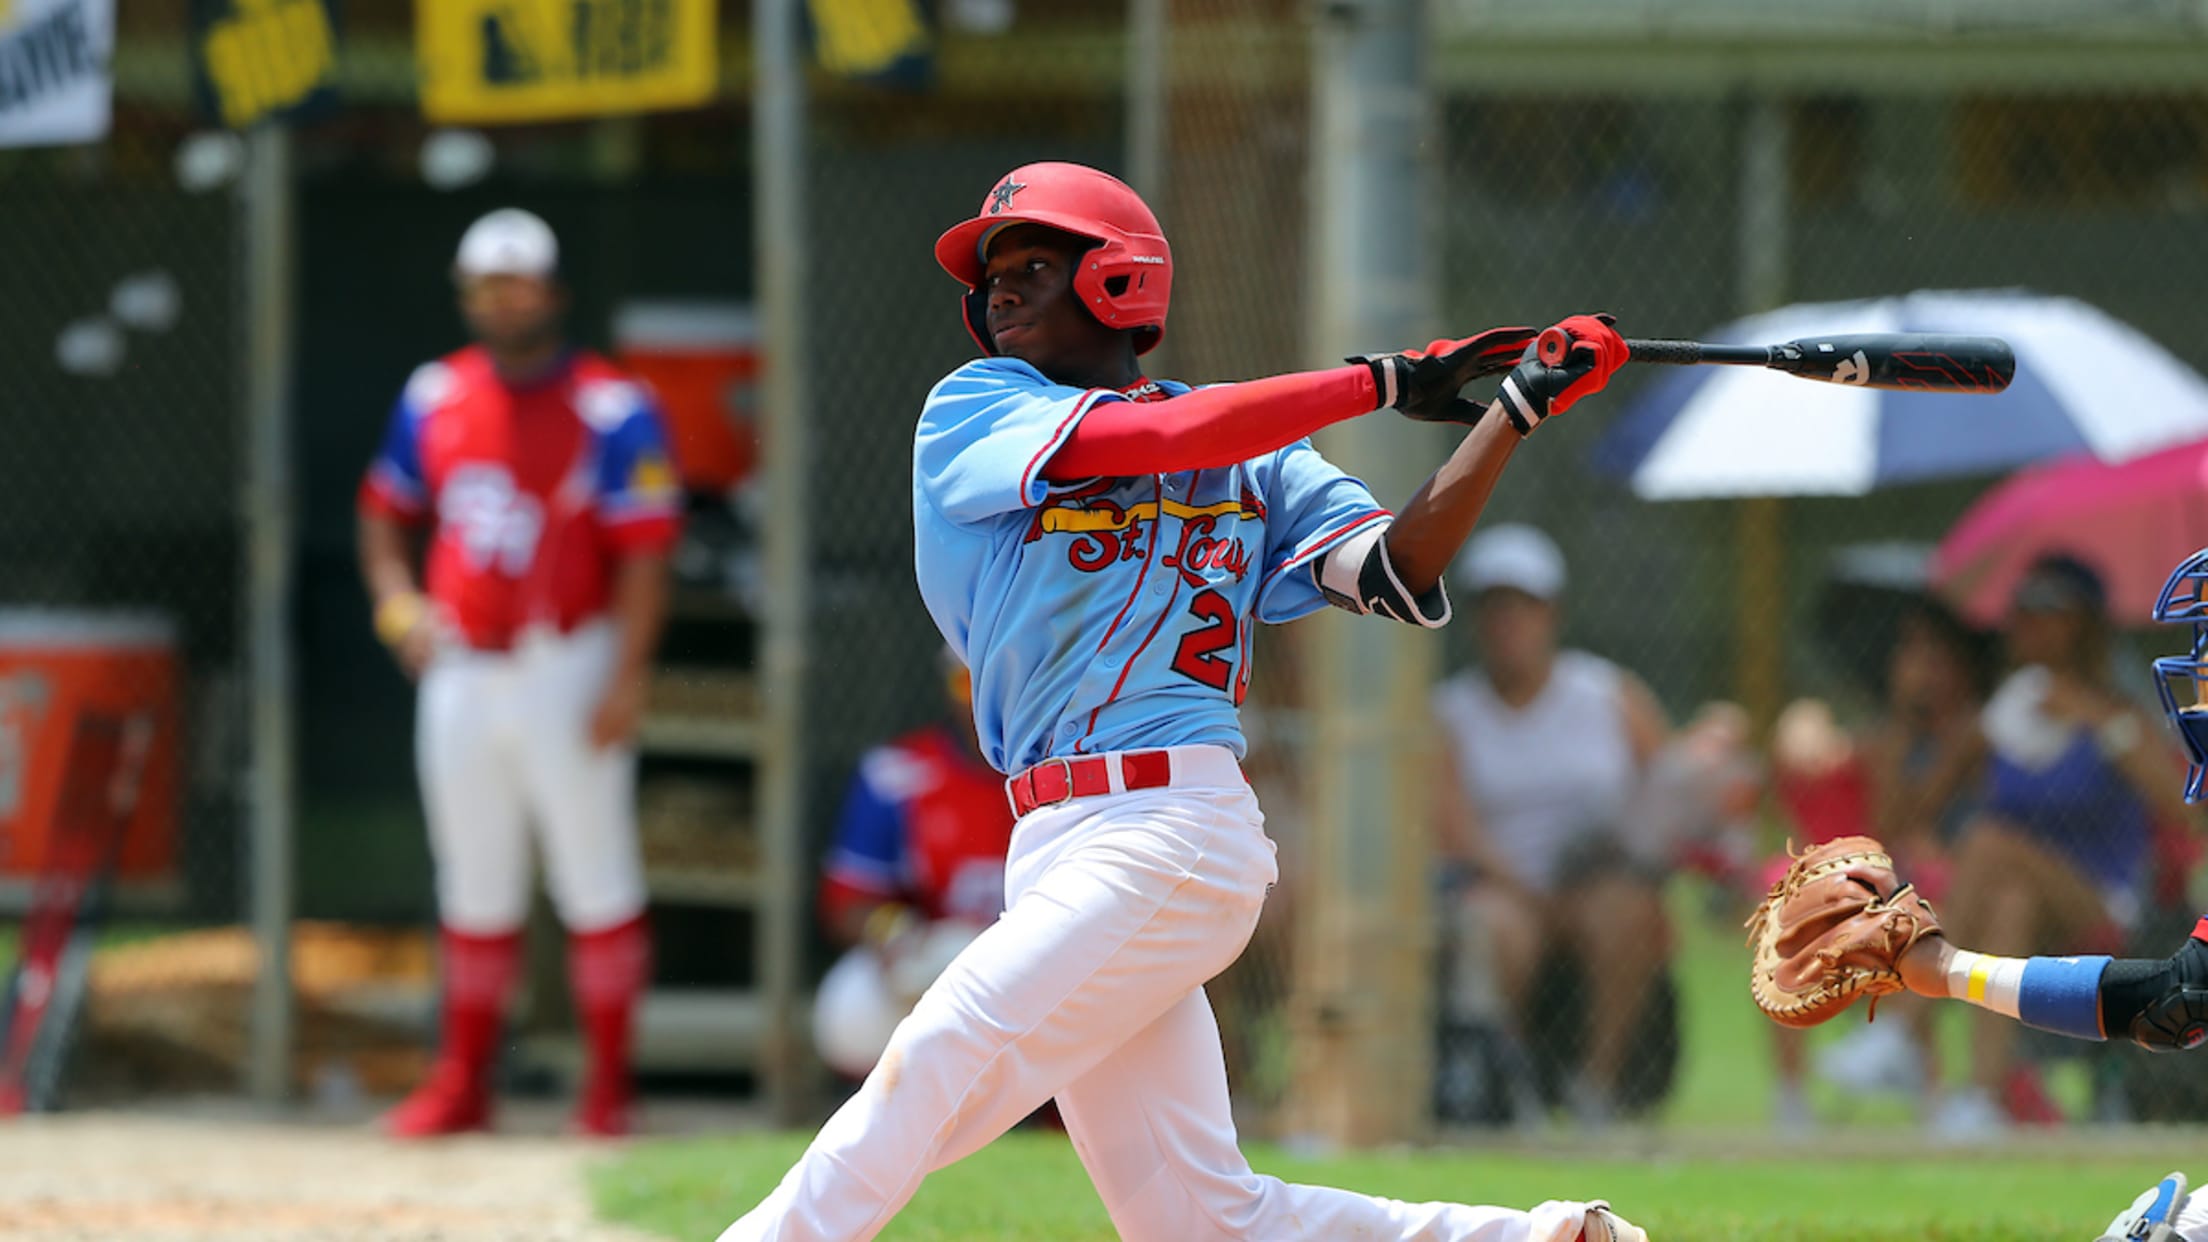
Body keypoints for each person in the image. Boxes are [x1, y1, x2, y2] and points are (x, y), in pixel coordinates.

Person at [721, 162, 1646, 1241]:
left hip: (1170, 825)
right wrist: (1382, 383)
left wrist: (1514, 412)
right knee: (1201, 1220)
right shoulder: (976, 407)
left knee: (943, 1047)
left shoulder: (1260, 463)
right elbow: (1155, 440)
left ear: (1120, 283)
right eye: (993, 275)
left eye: (1033, 264)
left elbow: (1396, 569)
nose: (1000, 290)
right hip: (1056, 833)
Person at [356, 208, 681, 1139]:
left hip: (565, 660)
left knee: (596, 878)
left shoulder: (611, 405)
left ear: (555, 291)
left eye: (520, 282)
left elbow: (647, 554)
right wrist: (395, 606)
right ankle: (463, 1083)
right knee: (473, 880)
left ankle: (609, 1087)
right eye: (486, 286)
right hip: (459, 662)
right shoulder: (433, 395)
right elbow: (383, 510)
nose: (504, 300)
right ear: (466, 295)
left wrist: (626, 677)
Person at [1919, 553, 2193, 1135]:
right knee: (2011, 899)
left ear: (2085, 624)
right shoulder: (2001, 716)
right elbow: (1915, 812)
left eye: (2049, 611)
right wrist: (1920, 714)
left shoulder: (2121, 711)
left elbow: (2185, 815)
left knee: (1990, 837)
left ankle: (1904, 1017)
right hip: (2027, 904)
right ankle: (1982, 1100)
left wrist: (2094, 718)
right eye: (2021, 610)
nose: (2028, 624)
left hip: (2105, 904)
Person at [1428, 524, 1675, 1125]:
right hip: (1502, 886)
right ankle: (1513, 1088)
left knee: (1626, 911)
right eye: (1495, 607)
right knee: (1492, 927)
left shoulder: (1609, 695)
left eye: (1524, 606)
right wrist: (1530, 893)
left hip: (1594, 882)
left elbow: (1667, 789)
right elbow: (1454, 829)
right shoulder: (1450, 712)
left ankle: (1599, 1086)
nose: (1509, 623)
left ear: (1553, 613)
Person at [810, 651, 1013, 1079]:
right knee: (852, 1008)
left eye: (1000, 685)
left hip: (1042, 963)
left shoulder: (1069, 771)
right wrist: (896, 932)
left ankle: (1054, 1117)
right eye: (966, 684)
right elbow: (849, 902)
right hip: (940, 958)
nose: (982, 703)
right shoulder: (898, 772)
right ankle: (901, 1117)